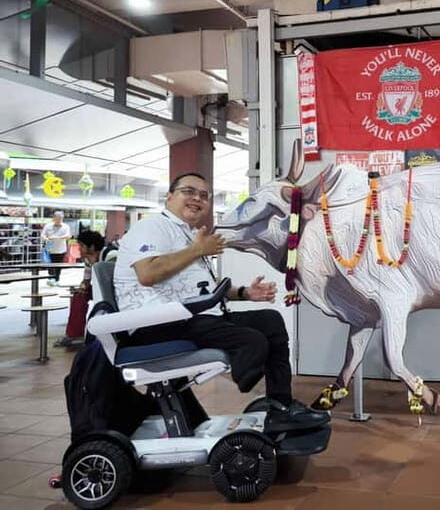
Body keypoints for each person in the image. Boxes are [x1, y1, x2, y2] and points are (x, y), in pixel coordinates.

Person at [113, 172, 328, 432]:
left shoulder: (189, 234)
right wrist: (197, 250)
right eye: (189, 191)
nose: (197, 199)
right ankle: (246, 370)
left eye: (204, 196)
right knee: (252, 341)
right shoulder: (153, 227)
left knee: (270, 321)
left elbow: (204, 288)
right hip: (159, 323)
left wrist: (244, 293)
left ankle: (280, 405)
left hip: (193, 316)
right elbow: (147, 274)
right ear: (169, 196)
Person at [54, 230, 114, 347]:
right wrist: (82, 288)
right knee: (79, 296)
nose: (79, 249)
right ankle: (74, 335)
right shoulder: (88, 259)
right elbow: (86, 280)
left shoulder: (111, 255)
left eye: (81, 246)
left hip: (115, 290)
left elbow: (115, 281)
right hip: (101, 289)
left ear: (91, 247)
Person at [42, 210, 71, 286]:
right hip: (49, 247)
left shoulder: (66, 226)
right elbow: (43, 235)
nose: (59, 220)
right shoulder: (48, 226)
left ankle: (57, 279)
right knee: (50, 264)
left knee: (58, 265)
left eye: (60, 218)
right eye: (57, 218)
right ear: (54, 218)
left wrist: (58, 238)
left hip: (61, 248)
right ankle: (51, 278)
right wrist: (46, 239)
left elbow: (68, 236)